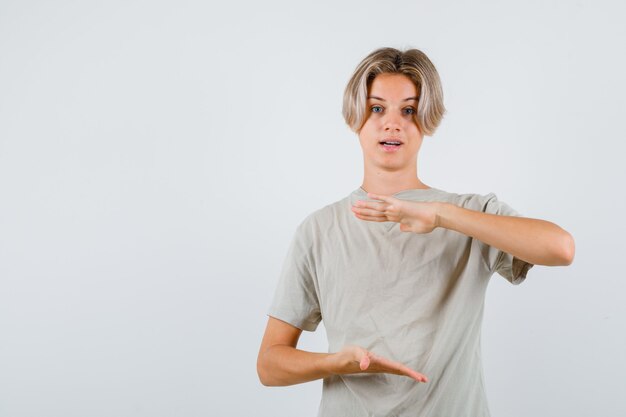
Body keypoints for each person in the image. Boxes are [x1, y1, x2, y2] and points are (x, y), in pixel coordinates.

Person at [256, 47, 575, 417]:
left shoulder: (468, 214)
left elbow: (561, 248)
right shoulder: (318, 230)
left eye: (408, 110)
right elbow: (270, 364)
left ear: (426, 120)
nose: (392, 123)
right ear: (355, 117)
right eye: (377, 108)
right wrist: (336, 362)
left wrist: (441, 216)